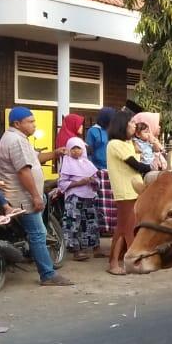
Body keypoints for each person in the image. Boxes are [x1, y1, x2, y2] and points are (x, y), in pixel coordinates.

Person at [0, 107, 72, 286]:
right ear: (17, 123)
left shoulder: (20, 139)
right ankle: (48, 274)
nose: (34, 125)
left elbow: (36, 158)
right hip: (22, 199)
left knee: (35, 233)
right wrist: (35, 196)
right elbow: (23, 171)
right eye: (30, 121)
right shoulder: (15, 140)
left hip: (23, 197)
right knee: (38, 233)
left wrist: (56, 152)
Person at [105, 110, 151, 276]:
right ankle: (114, 263)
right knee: (125, 229)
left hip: (135, 188)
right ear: (122, 125)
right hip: (125, 190)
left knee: (128, 227)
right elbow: (135, 165)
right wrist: (152, 168)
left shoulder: (129, 143)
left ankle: (128, 261)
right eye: (131, 123)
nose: (134, 126)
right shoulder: (115, 144)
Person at [58, 137, 101, 261]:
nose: (76, 151)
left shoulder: (87, 163)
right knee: (73, 223)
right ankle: (76, 250)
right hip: (74, 198)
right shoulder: (67, 162)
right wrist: (79, 183)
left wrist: (93, 181)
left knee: (90, 223)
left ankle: (94, 248)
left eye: (79, 148)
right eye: (73, 148)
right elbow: (62, 184)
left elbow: (97, 181)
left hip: (89, 197)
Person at [86, 108, 116, 237]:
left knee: (111, 202)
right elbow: (89, 151)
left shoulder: (110, 130)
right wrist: (92, 170)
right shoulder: (93, 131)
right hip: (98, 170)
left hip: (111, 169)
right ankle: (102, 228)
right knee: (100, 202)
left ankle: (110, 226)